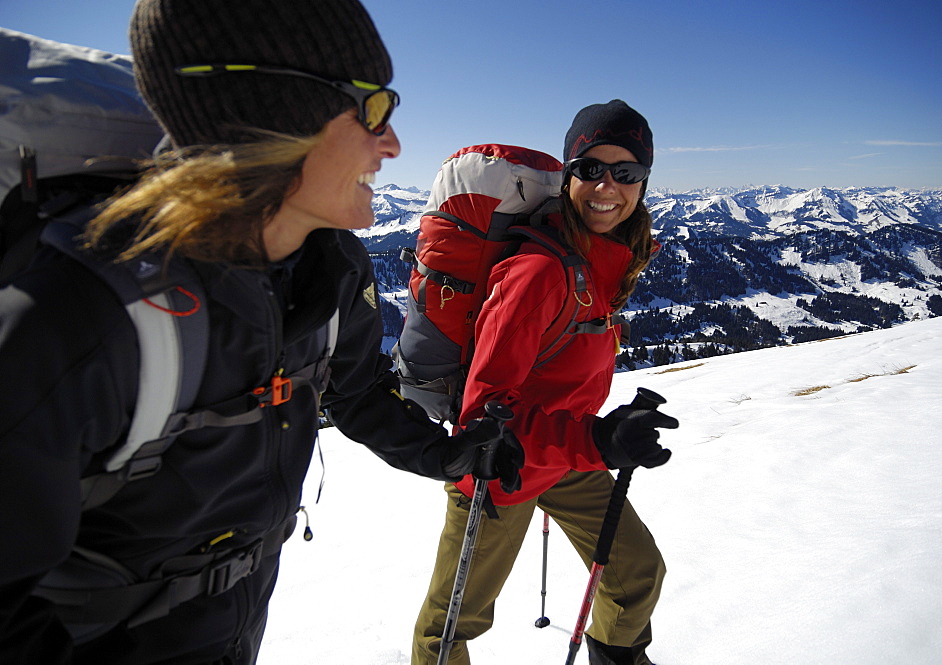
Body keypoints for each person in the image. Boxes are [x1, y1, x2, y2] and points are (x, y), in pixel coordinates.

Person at [0, 0, 520, 663]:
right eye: (373, 110)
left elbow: (355, 394)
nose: (392, 143)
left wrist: (446, 455)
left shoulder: (328, 268)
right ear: (280, 116)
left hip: (237, 627)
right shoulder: (87, 317)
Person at [411, 100, 679, 665]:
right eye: (590, 169)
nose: (607, 186)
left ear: (644, 183)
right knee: (451, 629)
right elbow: (483, 418)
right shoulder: (539, 272)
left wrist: (607, 429)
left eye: (626, 172)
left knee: (635, 571)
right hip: (500, 471)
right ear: (568, 176)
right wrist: (600, 440)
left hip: (563, 458)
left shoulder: (607, 261)